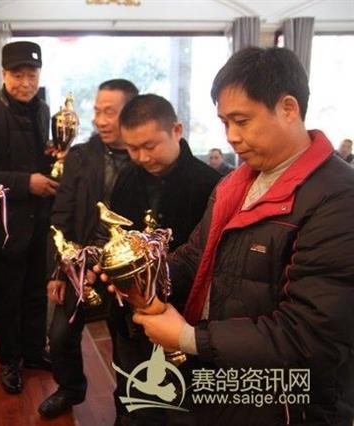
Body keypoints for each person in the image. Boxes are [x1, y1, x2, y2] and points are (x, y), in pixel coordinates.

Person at [131, 47, 354, 425]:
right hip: (225, 376)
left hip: (288, 401)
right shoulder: (236, 183)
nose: (231, 137)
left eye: (242, 121)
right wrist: (143, 274)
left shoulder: (338, 197)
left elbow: (311, 334)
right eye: (225, 123)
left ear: (288, 108)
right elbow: (196, 255)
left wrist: (188, 338)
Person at [105, 94, 220, 425]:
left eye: (150, 146)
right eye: (132, 148)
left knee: (178, 403)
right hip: (130, 314)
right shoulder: (127, 177)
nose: (142, 157)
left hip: (181, 316)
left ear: (177, 131)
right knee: (131, 393)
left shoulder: (209, 184)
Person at [38, 79, 139, 418]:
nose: (100, 120)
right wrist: (57, 271)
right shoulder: (80, 156)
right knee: (60, 335)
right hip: (78, 261)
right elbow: (61, 216)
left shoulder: (143, 157)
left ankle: (128, 406)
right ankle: (70, 388)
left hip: (124, 265)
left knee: (126, 343)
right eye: (97, 111)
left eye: (110, 112)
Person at [0, 41, 57, 394]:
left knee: (35, 292)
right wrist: (26, 183)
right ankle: (9, 361)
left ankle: (34, 352)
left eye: (32, 75)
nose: (25, 83)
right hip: (3, 226)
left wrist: (54, 160)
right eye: (18, 75)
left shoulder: (42, 109)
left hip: (37, 221)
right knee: (7, 297)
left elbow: (40, 157)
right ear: (4, 74)